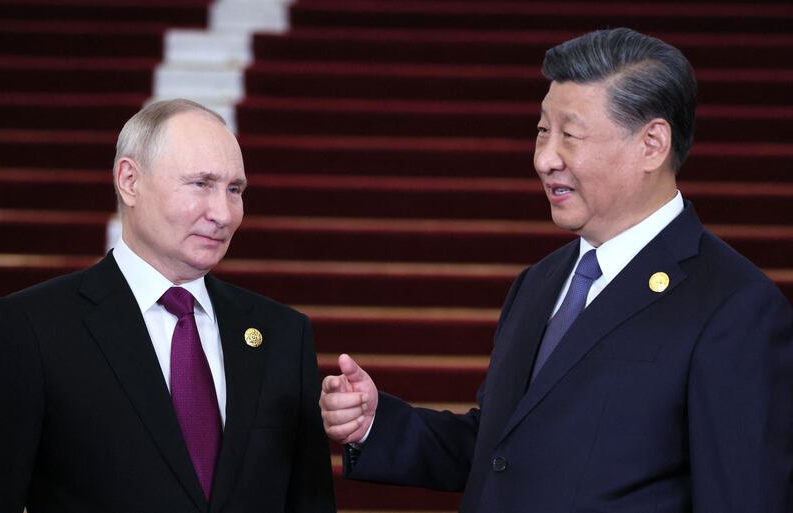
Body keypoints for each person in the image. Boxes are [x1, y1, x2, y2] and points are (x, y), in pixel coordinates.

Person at [319, 28, 793, 513]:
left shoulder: (735, 308)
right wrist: (377, 423)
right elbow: (504, 447)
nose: (545, 159)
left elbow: (743, 496)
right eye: (543, 131)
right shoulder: (540, 281)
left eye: (570, 134)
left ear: (652, 143)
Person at [0, 99, 335, 513]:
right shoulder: (29, 327)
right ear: (129, 181)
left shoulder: (283, 333)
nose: (223, 213)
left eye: (235, 190)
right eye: (201, 184)